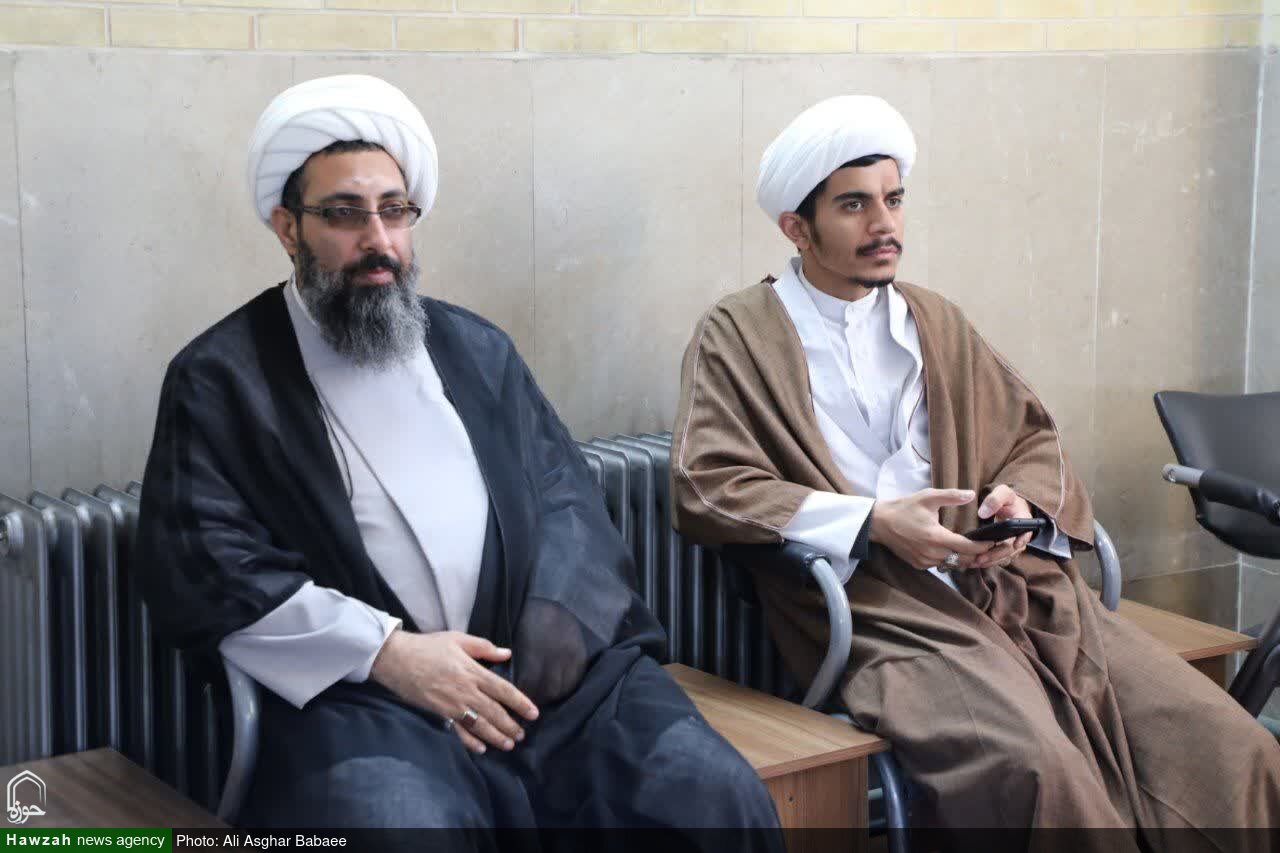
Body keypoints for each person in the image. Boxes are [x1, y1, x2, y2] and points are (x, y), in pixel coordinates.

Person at [135, 74, 778, 840]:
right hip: (362, 695)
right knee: (402, 827)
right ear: (287, 228)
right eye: (344, 214)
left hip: (538, 678)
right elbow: (208, 565)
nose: (378, 240)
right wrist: (389, 653)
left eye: (394, 211)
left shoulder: (477, 349)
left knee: (709, 791)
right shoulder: (222, 379)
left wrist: (542, 648)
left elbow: (567, 505)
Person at [671, 94, 1280, 845]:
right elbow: (706, 483)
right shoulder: (737, 334)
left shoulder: (936, 320)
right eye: (854, 205)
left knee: (1233, 747)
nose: (885, 224)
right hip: (882, 616)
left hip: (1017, 592)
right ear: (796, 227)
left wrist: (1016, 501)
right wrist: (873, 523)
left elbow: (1032, 435)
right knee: (1039, 770)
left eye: (894, 200)